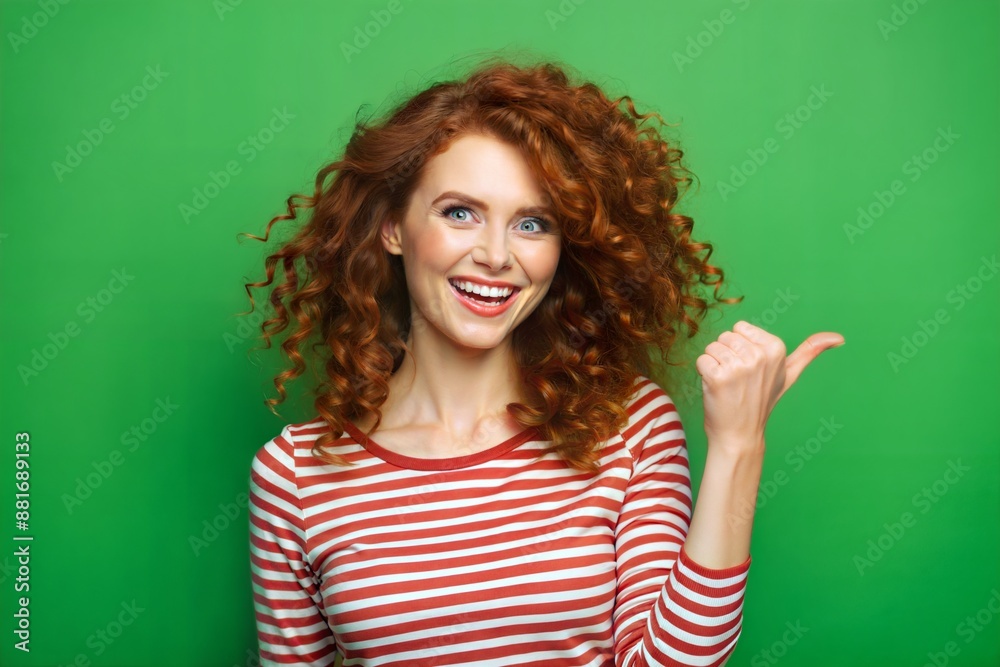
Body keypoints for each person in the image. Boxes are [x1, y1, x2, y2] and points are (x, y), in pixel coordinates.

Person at [241, 54, 844, 667]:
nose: (497, 256)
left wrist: (739, 447)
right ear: (393, 228)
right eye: (459, 213)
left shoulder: (628, 426)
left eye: (532, 223)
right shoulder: (295, 476)